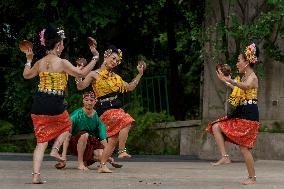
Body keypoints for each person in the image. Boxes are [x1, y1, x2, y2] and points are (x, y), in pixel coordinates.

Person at [22, 27, 99, 184]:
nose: (63, 46)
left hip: (38, 105)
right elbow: (81, 74)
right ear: (57, 45)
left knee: (41, 141)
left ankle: (36, 175)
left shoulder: (39, 62)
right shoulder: (62, 62)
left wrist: (29, 59)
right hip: (55, 104)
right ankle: (56, 149)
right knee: (67, 125)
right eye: (62, 43)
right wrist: (95, 58)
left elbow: (26, 75)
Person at [76, 45, 145, 173]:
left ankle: (102, 165)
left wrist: (139, 74)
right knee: (127, 120)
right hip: (105, 110)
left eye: (117, 61)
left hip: (116, 109)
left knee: (112, 140)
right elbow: (80, 86)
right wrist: (78, 73)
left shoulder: (116, 78)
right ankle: (122, 151)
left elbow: (129, 87)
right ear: (106, 56)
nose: (115, 62)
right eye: (113, 58)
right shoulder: (94, 74)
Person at [206, 43, 260, 185]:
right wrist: (226, 81)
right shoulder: (242, 78)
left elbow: (247, 86)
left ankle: (252, 178)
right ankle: (225, 156)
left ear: (246, 62)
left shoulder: (252, 77)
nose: (237, 63)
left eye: (238, 60)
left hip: (250, 115)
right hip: (241, 112)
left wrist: (230, 80)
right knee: (216, 126)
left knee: (244, 148)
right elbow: (238, 88)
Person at [54, 91, 123, 170]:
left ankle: (86, 161)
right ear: (83, 101)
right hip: (74, 143)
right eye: (86, 100)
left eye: (91, 100)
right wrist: (63, 156)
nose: (89, 103)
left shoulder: (98, 116)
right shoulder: (76, 115)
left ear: (95, 101)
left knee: (101, 155)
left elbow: (103, 138)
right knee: (84, 134)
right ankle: (80, 163)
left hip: (90, 143)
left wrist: (107, 156)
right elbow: (66, 136)